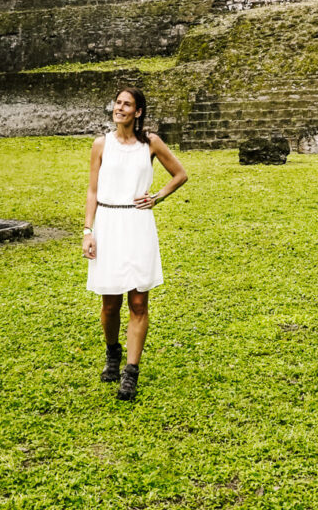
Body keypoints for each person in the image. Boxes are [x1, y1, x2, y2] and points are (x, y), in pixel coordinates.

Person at [82, 86, 188, 401]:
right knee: (110, 303)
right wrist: (88, 230)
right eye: (117, 103)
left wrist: (156, 197)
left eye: (127, 104)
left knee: (139, 302)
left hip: (138, 224)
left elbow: (180, 174)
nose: (120, 108)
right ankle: (113, 352)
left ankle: (131, 372)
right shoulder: (101, 144)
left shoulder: (150, 143)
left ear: (138, 112)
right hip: (108, 224)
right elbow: (91, 191)